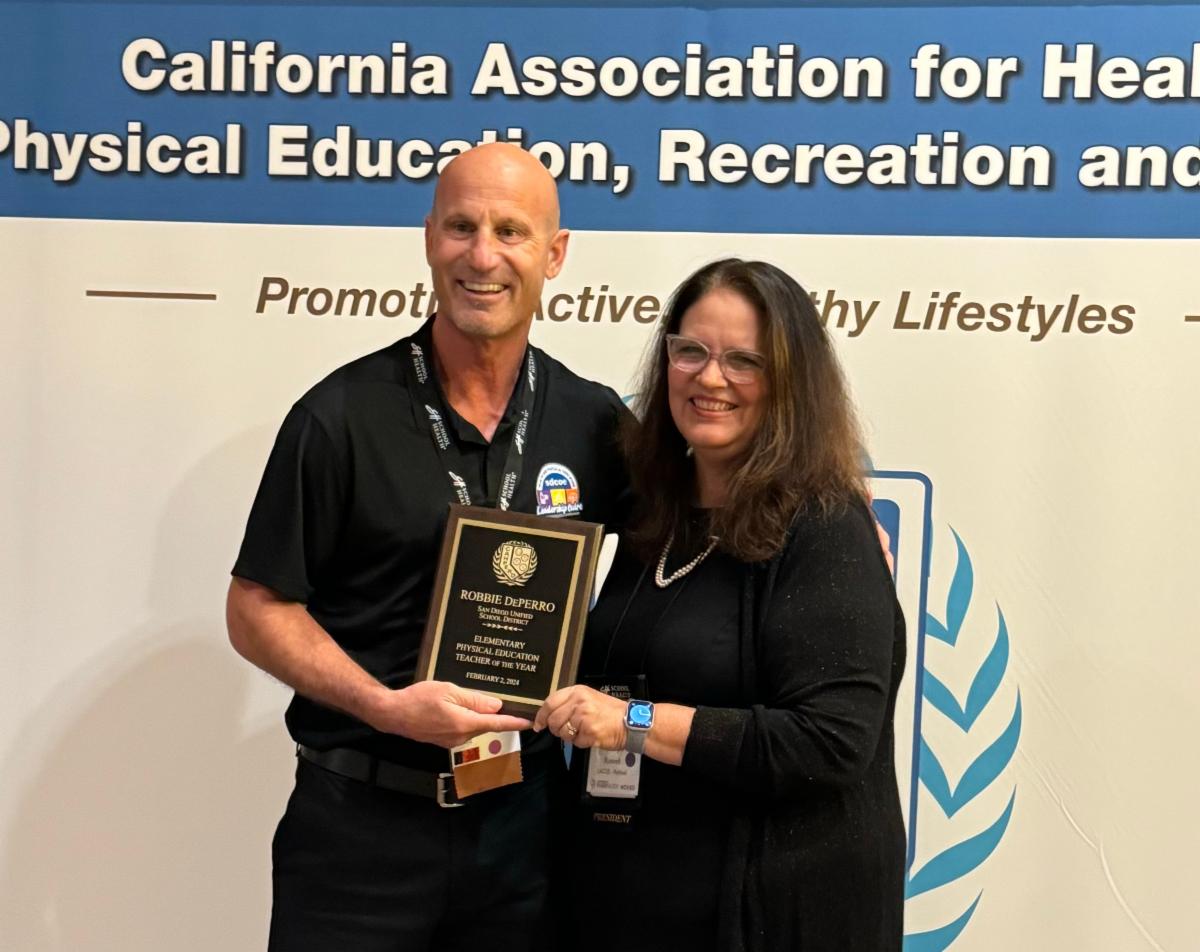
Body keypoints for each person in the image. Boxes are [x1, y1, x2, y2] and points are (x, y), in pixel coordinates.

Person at [225, 142, 631, 951]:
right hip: (359, 833)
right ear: (428, 239)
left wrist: (828, 502)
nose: (483, 256)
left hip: (523, 828)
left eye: (511, 231)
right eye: (461, 227)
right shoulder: (338, 418)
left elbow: (710, 517)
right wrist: (384, 707)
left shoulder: (593, 421)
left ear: (554, 255)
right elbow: (256, 607)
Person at [535, 258, 906, 951]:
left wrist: (632, 722)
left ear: (793, 384)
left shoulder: (824, 525)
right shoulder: (654, 515)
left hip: (767, 913)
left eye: (745, 361)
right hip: (632, 900)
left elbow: (829, 743)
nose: (710, 378)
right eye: (691, 351)